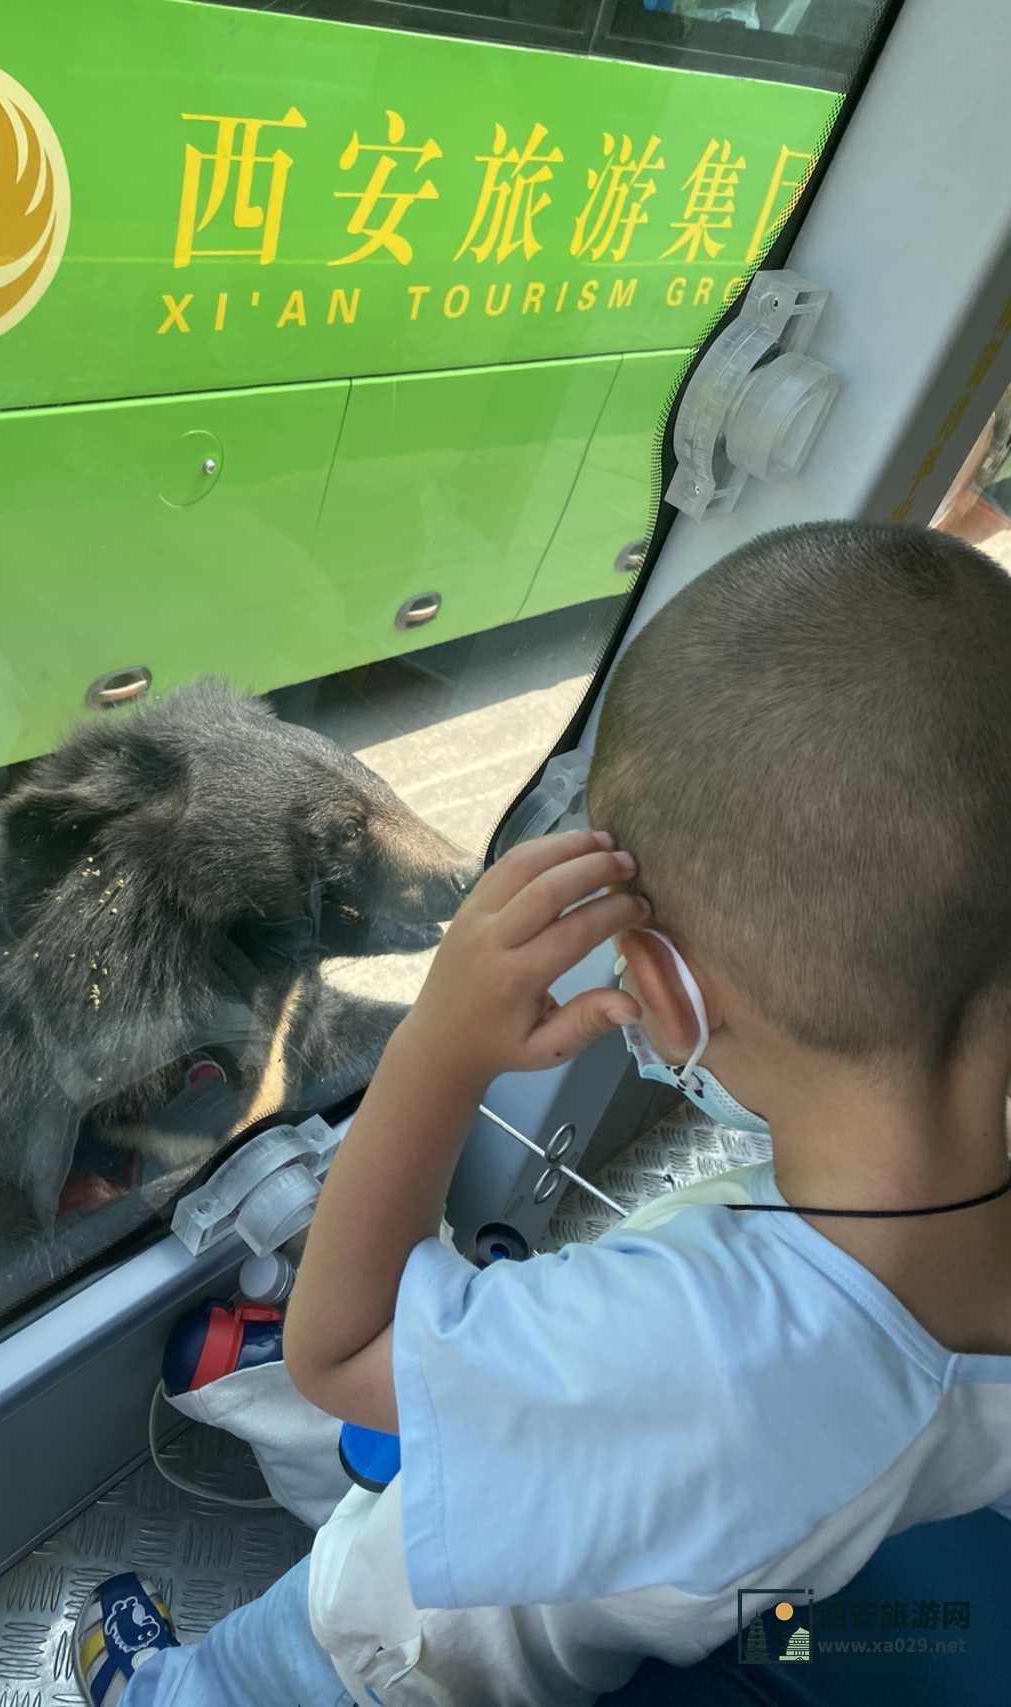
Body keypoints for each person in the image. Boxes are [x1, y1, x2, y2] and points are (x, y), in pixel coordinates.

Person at [73, 520, 1011, 1707]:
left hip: (403, 1660)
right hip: (756, 1553)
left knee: (279, 1639)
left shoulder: (702, 1343)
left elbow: (341, 1349)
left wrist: (440, 1043)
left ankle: (154, 1685)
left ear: (662, 997)